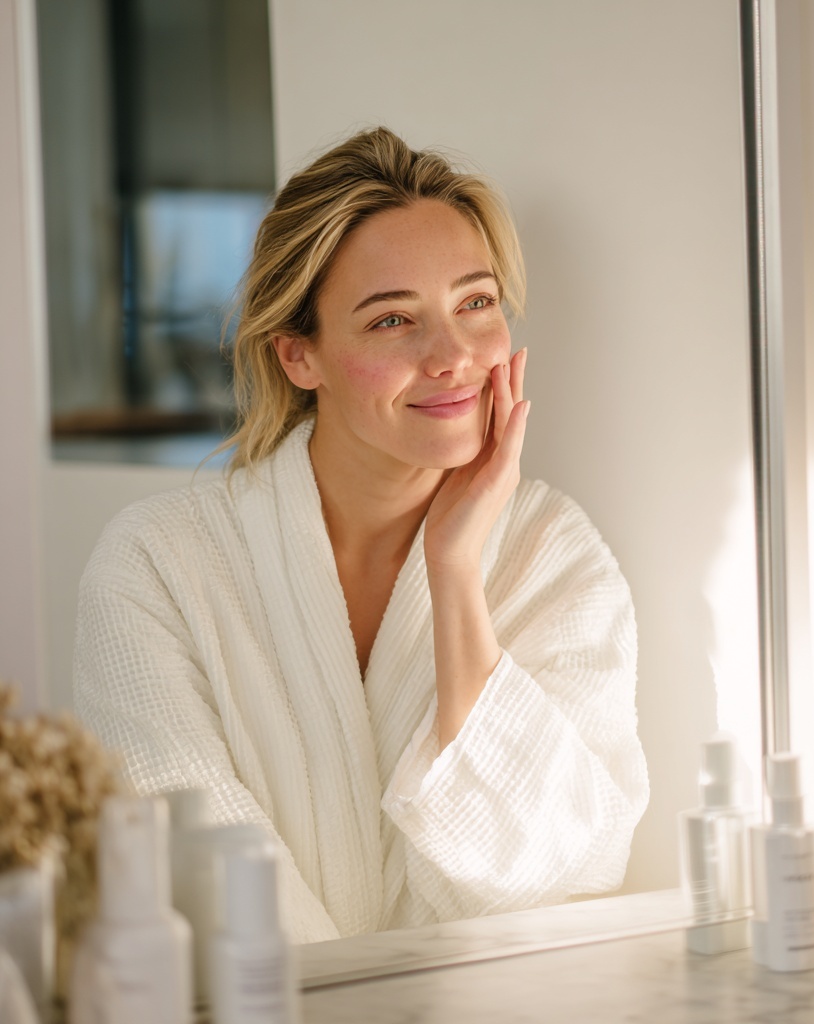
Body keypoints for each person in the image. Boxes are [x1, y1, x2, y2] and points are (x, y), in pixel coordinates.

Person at [74, 127, 649, 943]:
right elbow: (187, 870)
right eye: (390, 321)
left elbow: (557, 876)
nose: (452, 356)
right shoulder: (156, 567)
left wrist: (454, 573)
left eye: (475, 304)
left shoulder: (555, 557)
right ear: (300, 355)